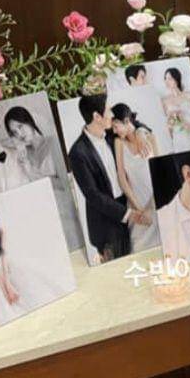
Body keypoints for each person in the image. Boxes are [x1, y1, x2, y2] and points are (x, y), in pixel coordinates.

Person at [69, 93, 140, 262]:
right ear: (97, 116)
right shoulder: (77, 153)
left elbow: (132, 122)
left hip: (128, 206)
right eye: (108, 110)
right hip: (107, 223)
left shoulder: (111, 134)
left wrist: (142, 134)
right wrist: (127, 214)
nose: (112, 114)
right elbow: (92, 195)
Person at [109, 103, 160, 252]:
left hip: (156, 201)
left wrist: (152, 206)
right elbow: (122, 179)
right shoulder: (119, 142)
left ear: (126, 121)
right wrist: (139, 209)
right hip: (137, 205)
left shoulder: (150, 137)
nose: (114, 131)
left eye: (115, 126)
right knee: (139, 248)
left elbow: (161, 171)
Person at [4, 106, 56, 182]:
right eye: (14, 132)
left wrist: (29, 170)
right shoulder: (25, 155)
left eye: (20, 126)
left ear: (29, 122)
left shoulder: (53, 143)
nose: (19, 134)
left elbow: (62, 182)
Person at [161, 67, 190, 151]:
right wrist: (171, 122)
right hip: (178, 137)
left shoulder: (188, 95)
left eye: (169, 78)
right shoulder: (164, 101)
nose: (166, 81)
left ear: (176, 79)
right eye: (165, 78)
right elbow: (167, 124)